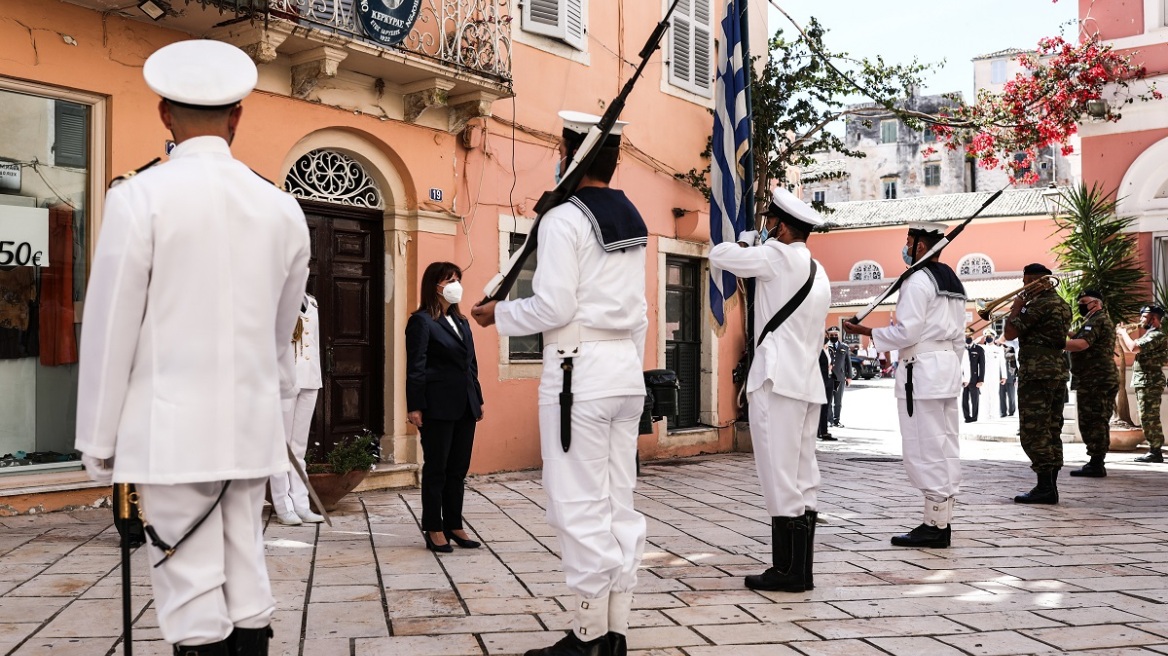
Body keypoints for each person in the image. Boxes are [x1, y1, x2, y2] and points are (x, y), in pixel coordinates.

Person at [74, 40, 310, 654]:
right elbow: (280, 332)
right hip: (249, 428)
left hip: (171, 434)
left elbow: (109, 329)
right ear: (237, 116)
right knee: (246, 578)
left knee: (190, 592)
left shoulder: (138, 197)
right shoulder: (281, 208)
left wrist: (99, 441)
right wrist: (277, 413)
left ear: (163, 114)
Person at [471, 111, 648, 656]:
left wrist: (499, 313)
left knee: (577, 503)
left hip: (579, 372)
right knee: (619, 503)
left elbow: (554, 305)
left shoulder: (564, 219)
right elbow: (638, 313)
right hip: (623, 373)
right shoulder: (632, 219)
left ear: (570, 157)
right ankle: (615, 630)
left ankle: (590, 636)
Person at [709, 187, 830, 591]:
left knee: (778, 474)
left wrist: (746, 241)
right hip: (808, 382)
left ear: (780, 226)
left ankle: (788, 571)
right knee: (802, 474)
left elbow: (719, 255)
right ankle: (801, 569)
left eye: (770, 223)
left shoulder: (778, 256)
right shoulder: (818, 269)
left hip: (776, 381)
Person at [844, 222, 965, 548]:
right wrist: (953, 368)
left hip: (922, 373)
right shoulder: (952, 281)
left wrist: (866, 333)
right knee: (946, 446)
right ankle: (941, 520)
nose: (905, 246)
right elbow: (960, 339)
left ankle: (934, 526)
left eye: (909, 241)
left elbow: (907, 333)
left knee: (924, 447)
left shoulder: (917, 280)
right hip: (946, 370)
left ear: (921, 248)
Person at [406, 262, 485, 553]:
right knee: (437, 468)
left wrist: (477, 398)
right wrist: (415, 405)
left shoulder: (462, 322)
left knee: (458, 469)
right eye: (449, 279)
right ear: (435, 285)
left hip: (465, 404)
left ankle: (454, 524)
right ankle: (434, 527)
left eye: (457, 279)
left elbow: (471, 365)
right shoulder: (422, 321)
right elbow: (416, 366)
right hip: (437, 406)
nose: (455, 284)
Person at [1003, 264, 1072, 504]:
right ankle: (1050, 486)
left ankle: (1044, 488)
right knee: (1053, 428)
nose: (1023, 287)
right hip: (1057, 370)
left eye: (1026, 283)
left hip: (1037, 372)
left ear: (1036, 282)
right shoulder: (1063, 304)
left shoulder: (1039, 305)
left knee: (1034, 429)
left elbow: (1010, 333)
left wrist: (1017, 307)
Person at [269, 290, 326, 525]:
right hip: (284, 381)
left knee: (298, 448)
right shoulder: (274, 298)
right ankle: (283, 506)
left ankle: (301, 504)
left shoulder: (311, 300)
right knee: (280, 447)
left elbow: (314, 342)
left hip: (310, 379)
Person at [1063, 289, 1118, 477]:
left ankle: (1096, 463)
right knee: (1096, 418)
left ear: (1096, 303)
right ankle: (1096, 461)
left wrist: (1053, 342)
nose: (1081, 304)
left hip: (1096, 378)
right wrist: (1068, 333)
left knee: (1094, 419)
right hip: (1097, 377)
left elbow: (1081, 344)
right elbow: (1079, 338)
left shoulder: (1097, 320)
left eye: (1084, 301)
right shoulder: (1095, 320)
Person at [1117, 305, 1168, 463]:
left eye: (1144, 317)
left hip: (1150, 380)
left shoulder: (1156, 335)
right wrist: (1121, 337)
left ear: (1154, 318)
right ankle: (1154, 450)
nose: (1140, 320)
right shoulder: (1149, 334)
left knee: (1149, 417)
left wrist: (1123, 333)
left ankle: (1155, 450)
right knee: (1145, 416)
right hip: (1145, 379)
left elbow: (1134, 347)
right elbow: (1128, 349)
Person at [825, 327, 852, 427]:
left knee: (838, 401)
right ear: (828, 335)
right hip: (828, 376)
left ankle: (837, 420)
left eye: (836, 334)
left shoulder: (844, 347)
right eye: (832, 335)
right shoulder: (825, 346)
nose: (834, 336)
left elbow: (848, 363)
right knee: (828, 400)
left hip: (840, 377)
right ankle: (829, 420)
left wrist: (849, 377)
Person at [980, 330, 1006, 420]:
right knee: (984, 396)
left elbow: (1002, 363)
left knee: (994, 395)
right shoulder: (981, 348)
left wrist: (1004, 376)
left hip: (994, 376)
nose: (988, 338)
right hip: (983, 376)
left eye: (990, 336)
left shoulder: (999, 349)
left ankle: (994, 415)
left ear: (994, 337)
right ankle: (985, 415)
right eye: (986, 336)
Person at [962, 331, 985, 423]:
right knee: (964, 399)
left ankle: (974, 417)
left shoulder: (978, 349)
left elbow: (982, 366)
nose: (968, 337)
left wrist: (981, 380)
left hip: (974, 378)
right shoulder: (961, 349)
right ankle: (966, 417)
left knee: (975, 399)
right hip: (963, 378)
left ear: (973, 336)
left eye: (969, 335)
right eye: (966, 335)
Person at [817, 338, 837, 441]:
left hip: (829, 380)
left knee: (827, 406)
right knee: (821, 407)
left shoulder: (829, 351)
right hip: (822, 381)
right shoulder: (818, 352)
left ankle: (823, 431)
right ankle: (821, 431)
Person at [1000, 342, 1018, 417]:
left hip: (1011, 377)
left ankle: (1011, 411)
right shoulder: (999, 351)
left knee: (1011, 397)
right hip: (1001, 378)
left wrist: (1016, 377)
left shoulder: (1012, 351)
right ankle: (1003, 412)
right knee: (1002, 396)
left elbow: (1015, 364)